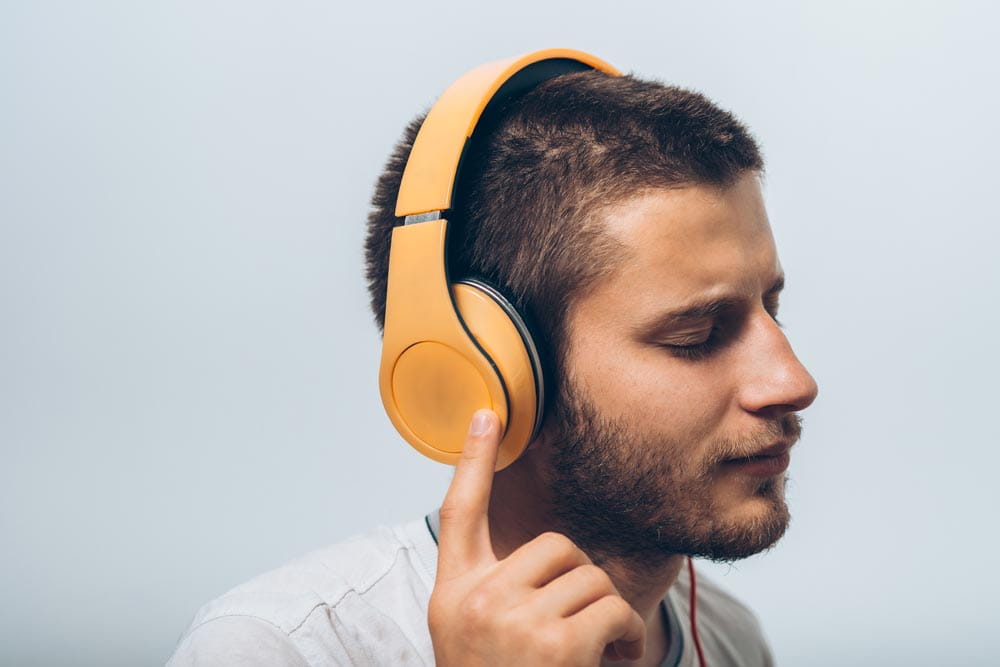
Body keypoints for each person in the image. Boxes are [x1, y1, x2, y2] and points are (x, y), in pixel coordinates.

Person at [169, 54, 818, 666]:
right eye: (696, 335)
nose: (793, 381)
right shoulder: (278, 647)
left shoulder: (730, 637)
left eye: (772, 307)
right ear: (497, 372)